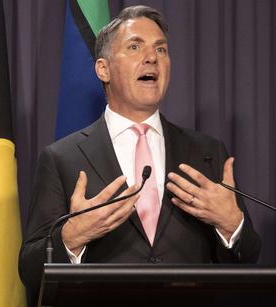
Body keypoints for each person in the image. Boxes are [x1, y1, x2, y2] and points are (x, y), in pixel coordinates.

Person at [19, 5, 260, 290]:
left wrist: (233, 225)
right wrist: (70, 237)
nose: (151, 59)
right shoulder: (63, 159)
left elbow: (248, 257)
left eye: (161, 50)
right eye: (135, 47)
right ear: (103, 69)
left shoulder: (207, 153)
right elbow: (30, 270)